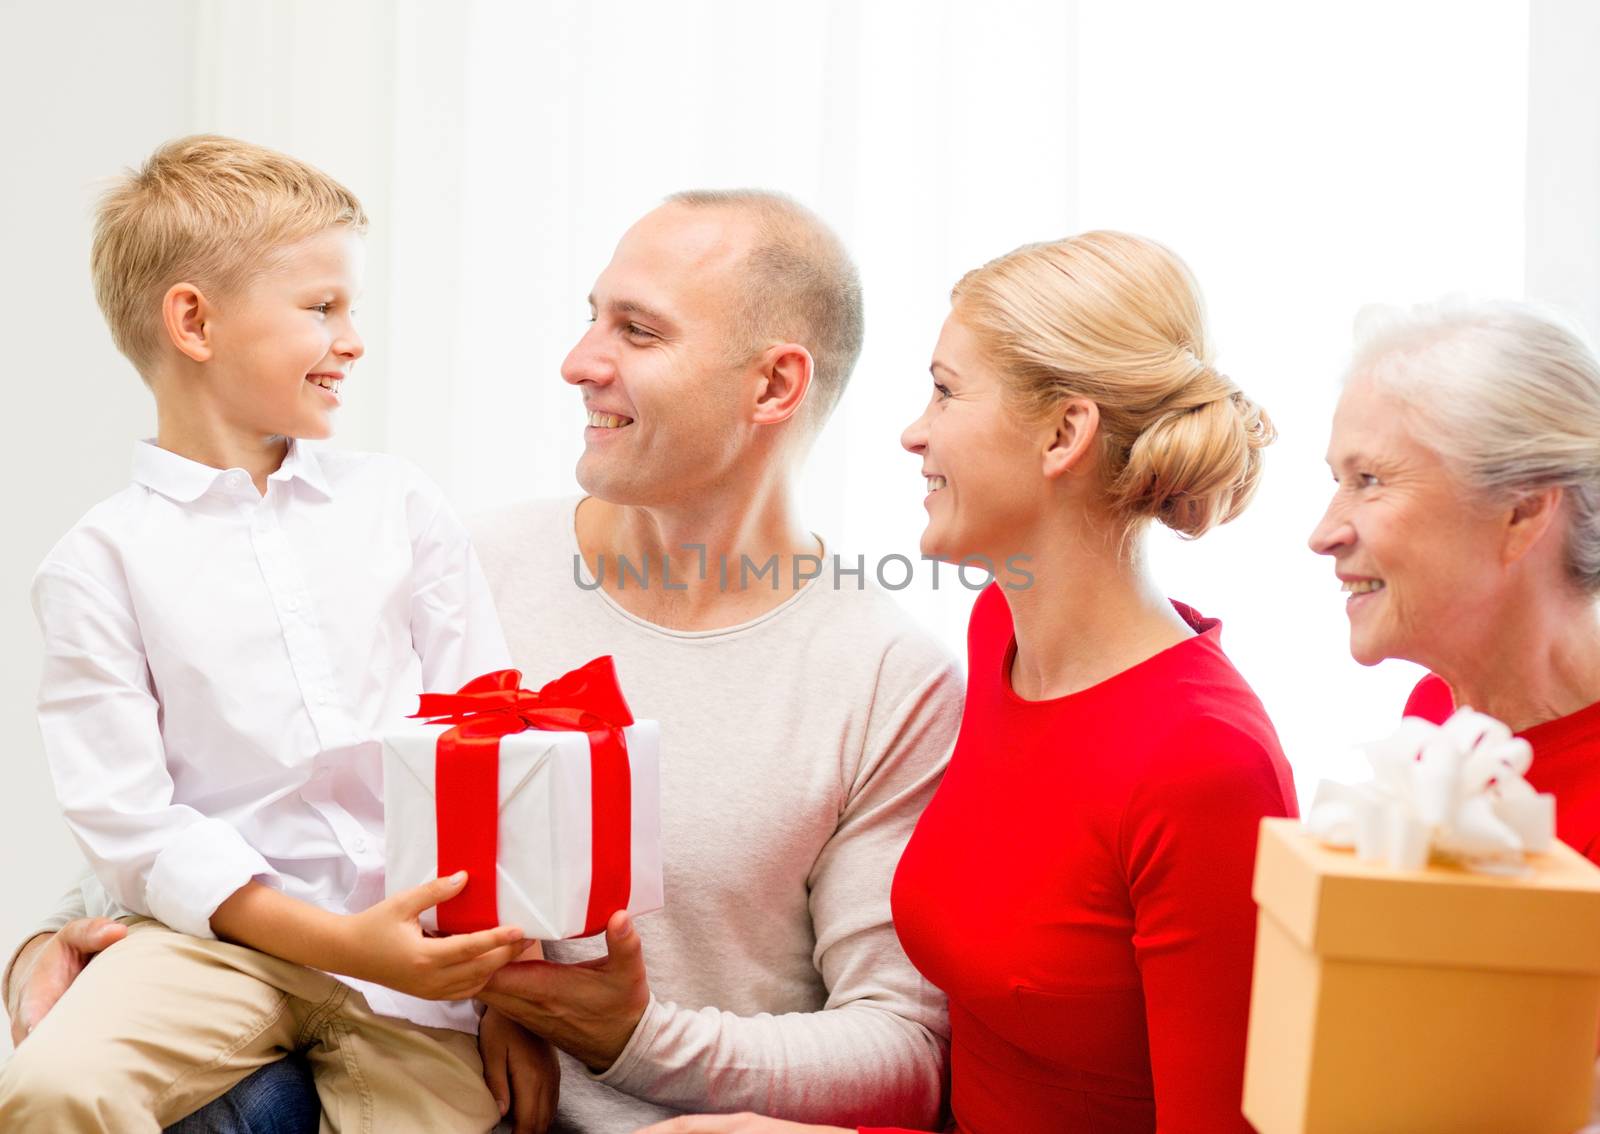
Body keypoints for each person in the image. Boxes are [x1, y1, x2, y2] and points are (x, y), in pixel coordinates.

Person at [6, 189, 961, 1133]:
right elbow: (227, 796)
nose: (578, 363)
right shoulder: (461, 559)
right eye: (591, 317)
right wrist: (49, 944)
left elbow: (904, 1056)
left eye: (637, 331)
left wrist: (631, 1034)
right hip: (361, 1050)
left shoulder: (885, 679)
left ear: (773, 387)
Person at [645, 230, 1299, 1134]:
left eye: (946, 391)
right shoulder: (1001, 636)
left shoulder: (1204, 763)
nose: (915, 430)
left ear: (1065, 433)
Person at [0, 135, 528, 1133]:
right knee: (56, 1088)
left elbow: (492, 744)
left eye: (350, 309)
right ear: (193, 321)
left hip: (413, 962)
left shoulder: (400, 506)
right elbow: (131, 825)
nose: (353, 339)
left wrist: (509, 994)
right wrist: (331, 937)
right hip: (213, 948)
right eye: (322, 308)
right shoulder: (95, 562)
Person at [1309, 299, 1600, 857]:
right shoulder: (1437, 720)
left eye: (1369, 480)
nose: (1323, 534)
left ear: (1523, 510)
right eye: (1338, 479)